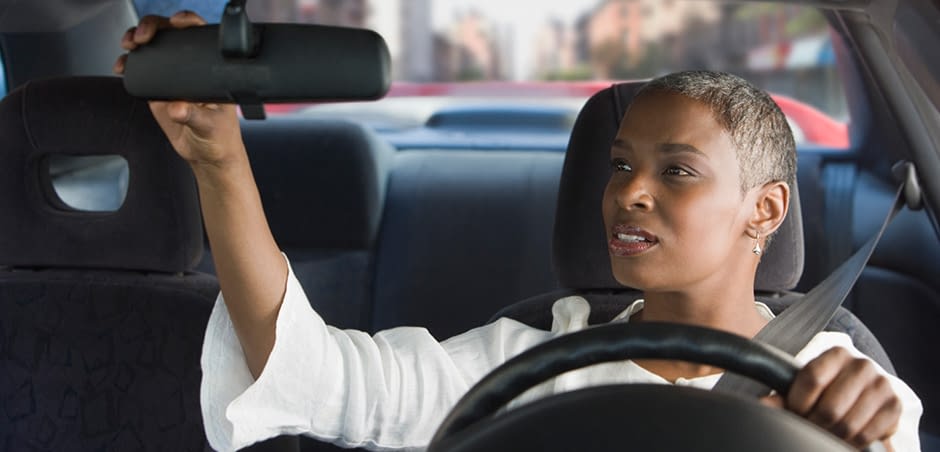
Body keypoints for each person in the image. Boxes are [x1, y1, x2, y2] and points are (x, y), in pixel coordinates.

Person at [114, 11, 922, 452]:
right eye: (617, 166)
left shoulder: (838, 381)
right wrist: (218, 159)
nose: (629, 193)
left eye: (676, 170)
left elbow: (883, 429)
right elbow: (313, 371)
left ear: (766, 211)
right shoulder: (529, 359)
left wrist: (869, 437)